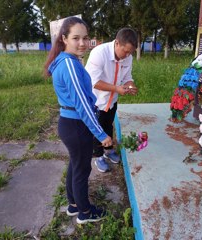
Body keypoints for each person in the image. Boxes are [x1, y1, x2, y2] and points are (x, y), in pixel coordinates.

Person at [44, 16, 112, 224]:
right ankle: (85, 212)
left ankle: (74, 205)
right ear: (64, 38)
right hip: (75, 125)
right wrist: (101, 134)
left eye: (85, 38)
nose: (82, 43)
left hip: (70, 123)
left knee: (75, 165)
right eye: (76, 38)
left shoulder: (65, 61)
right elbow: (82, 104)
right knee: (82, 170)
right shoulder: (70, 65)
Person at [85, 27, 138, 172]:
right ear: (116, 43)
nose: (127, 55)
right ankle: (98, 156)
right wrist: (116, 88)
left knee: (108, 125)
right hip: (96, 101)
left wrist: (131, 85)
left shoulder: (128, 57)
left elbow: (127, 77)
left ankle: (108, 151)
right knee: (98, 129)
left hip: (112, 100)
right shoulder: (99, 53)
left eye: (130, 52)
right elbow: (93, 82)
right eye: (125, 51)